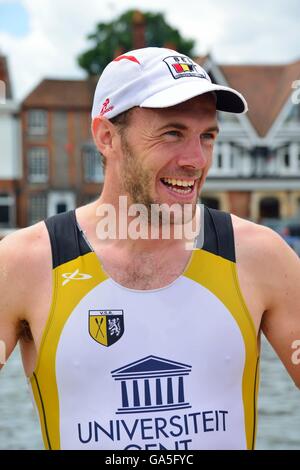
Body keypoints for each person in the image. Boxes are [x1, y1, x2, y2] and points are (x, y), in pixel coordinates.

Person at [0, 47, 299, 451]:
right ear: (106, 137)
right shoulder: (25, 262)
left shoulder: (260, 255)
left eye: (207, 136)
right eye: (172, 133)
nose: (196, 160)